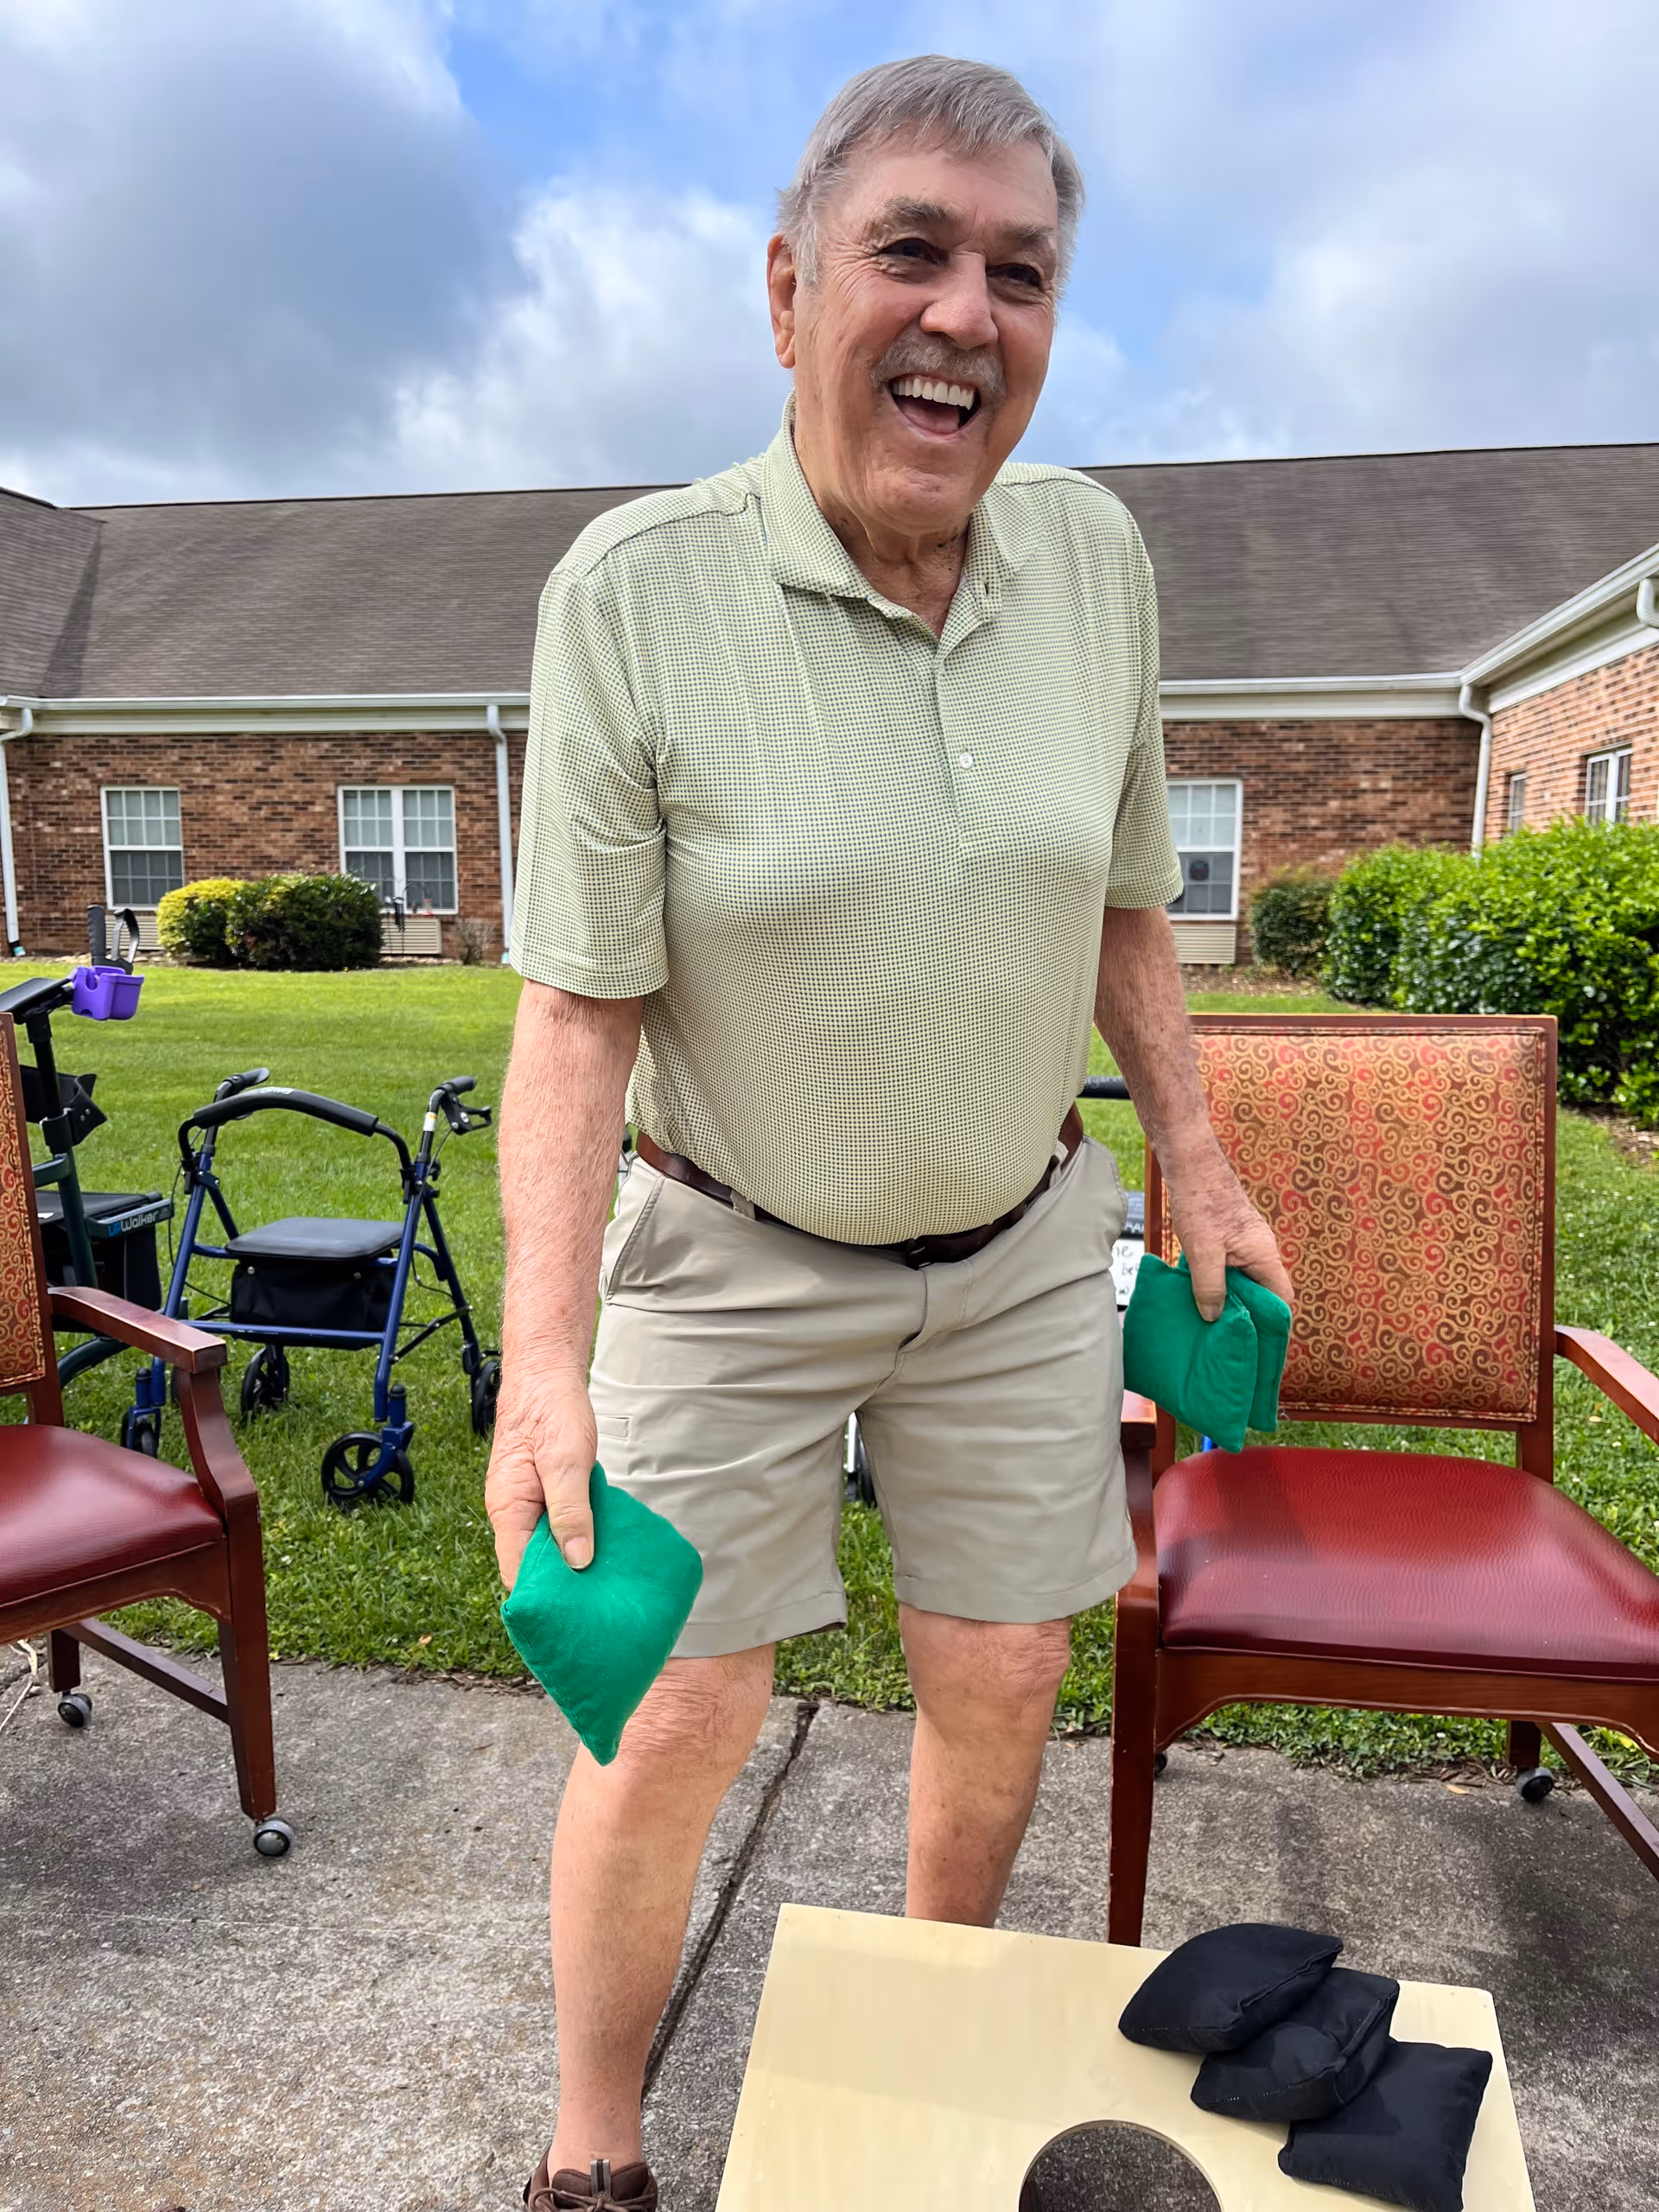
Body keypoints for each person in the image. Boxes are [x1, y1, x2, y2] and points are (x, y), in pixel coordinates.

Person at [487, 53, 1292, 2212]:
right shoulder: (634, 595)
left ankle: (932, 2049)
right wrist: (542, 1358)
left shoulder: (1097, 556)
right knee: (667, 1706)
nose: (964, 314)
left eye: (1017, 273)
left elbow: (1125, 889)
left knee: (1005, 1662)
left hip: (1022, 1238)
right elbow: (575, 1012)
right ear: (785, 291)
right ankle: (593, 2136)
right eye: (909, 252)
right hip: (729, 1244)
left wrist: (1192, 1154)